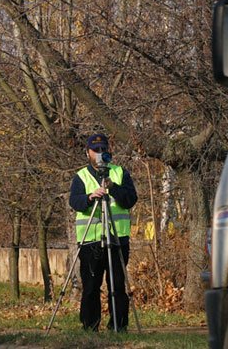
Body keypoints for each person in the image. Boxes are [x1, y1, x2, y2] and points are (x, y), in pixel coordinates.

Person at [69, 133, 138, 332]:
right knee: (91, 286)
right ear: (87, 152)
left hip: (117, 239)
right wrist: (90, 197)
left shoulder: (119, 173)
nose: (99, 154)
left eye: (103, 150)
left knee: (116, 285)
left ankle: (118, 326)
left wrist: (112, 187)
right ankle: (90, 327)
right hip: (90, 239)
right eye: (95, 150)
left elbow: (130, 199)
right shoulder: (81, 176)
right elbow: (74, 202)